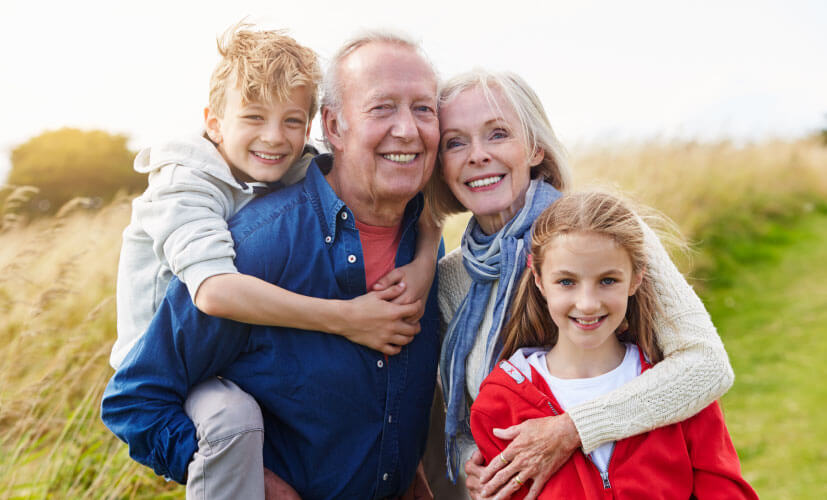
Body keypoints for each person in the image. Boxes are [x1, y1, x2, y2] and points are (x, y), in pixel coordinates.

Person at [102, 31, 441, 499]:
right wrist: (254, 485)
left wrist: (427, 256)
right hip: (169, 345)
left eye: (423, 108)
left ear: (309, 129)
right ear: (336, 128)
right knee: (229, 419)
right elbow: (138, 397)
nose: (407, 128)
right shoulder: (239, 236)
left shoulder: (418, 238)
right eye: (382, 107)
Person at [423, 70, 735, 500]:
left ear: (535, 147)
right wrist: (472, 463)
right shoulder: (452, 277)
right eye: (456, 142)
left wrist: (572, 429)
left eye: (497, 134)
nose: (477, 155)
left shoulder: (603, 236)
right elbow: (465, 411)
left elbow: (706, 366)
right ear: (441, 164)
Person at [469, 191, 758, 499]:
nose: (588, 304)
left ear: (636, 278)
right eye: (566, 282)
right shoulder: (500, 403)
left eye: (608, 280)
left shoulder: (680, 390)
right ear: (539, 280)